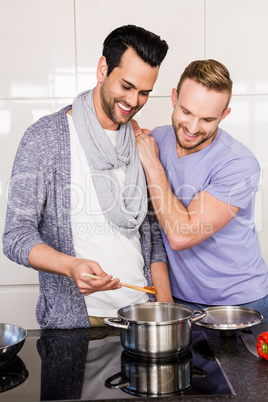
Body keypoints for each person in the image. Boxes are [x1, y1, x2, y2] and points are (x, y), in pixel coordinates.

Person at [2, 25, 173, 329]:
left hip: (142, 315)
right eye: (127, 86)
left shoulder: (140, 143)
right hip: (79, 322)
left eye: (144, 92)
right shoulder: (45, 138)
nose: (134, 101)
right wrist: (71, 266)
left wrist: (166, 309)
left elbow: (151, 235)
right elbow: (16, 235)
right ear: (103, 68)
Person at [133, 59, 268, 321]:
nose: (193, 128)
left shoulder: (239, 164)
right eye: (186, 112)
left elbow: (181, 236)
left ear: (224, 115)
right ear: (174, 97)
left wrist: (152, 163)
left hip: (240, 305)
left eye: (207, 119)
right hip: (179, 301)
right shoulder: (156, 140)